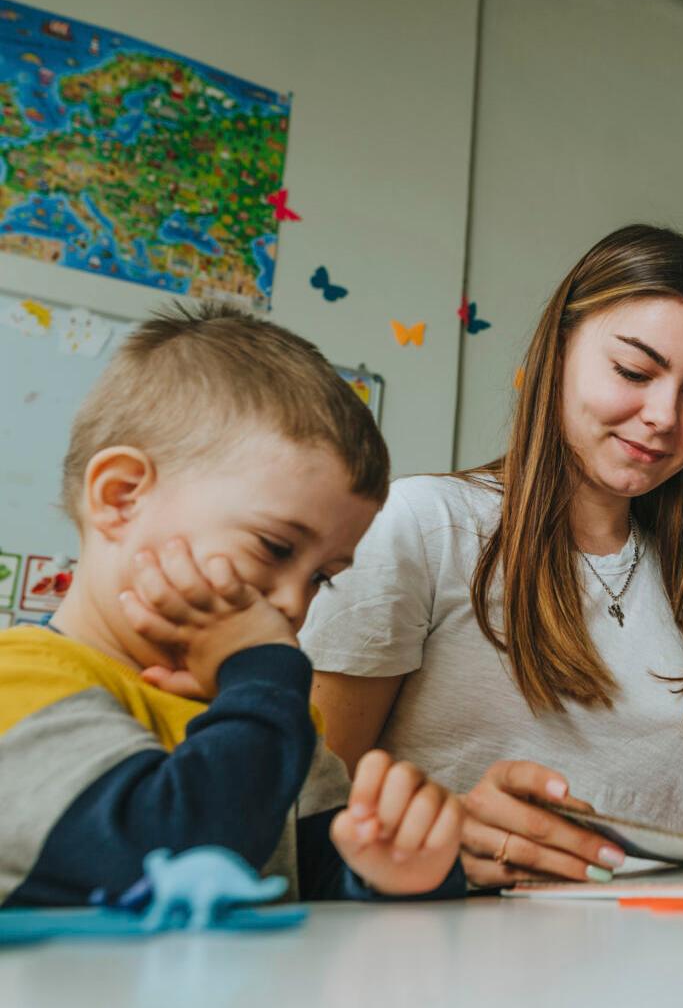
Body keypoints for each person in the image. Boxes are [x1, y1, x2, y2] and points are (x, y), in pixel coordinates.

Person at [303, 224, 683, 887]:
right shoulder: (424, 526)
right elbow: (300, 823)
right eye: (633, 371)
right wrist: (442, 841)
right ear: (558, 350)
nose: (664, 415)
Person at [0, 304, 463, 907]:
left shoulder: (273, 714)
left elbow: (316, 894)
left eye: (323, 578)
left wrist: (393, 871)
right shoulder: (21, 680)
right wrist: (262, 668)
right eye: (274, 547)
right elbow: (173, 863)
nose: (294, 603)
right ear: (120, 497)